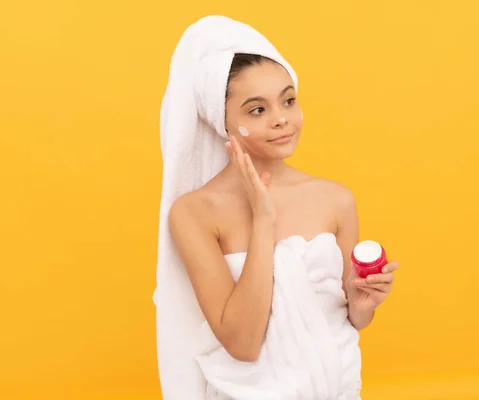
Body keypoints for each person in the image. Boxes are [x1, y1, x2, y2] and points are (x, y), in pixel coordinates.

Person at [157, 16, 399, 400]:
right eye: (257, 110)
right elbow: (243, 344)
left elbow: (349, 320)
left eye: (288, 100)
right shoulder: (194, 213)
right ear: (223, 122)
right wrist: (262, 221)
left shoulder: (336, 199)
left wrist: (364, 304)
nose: (282, 118)